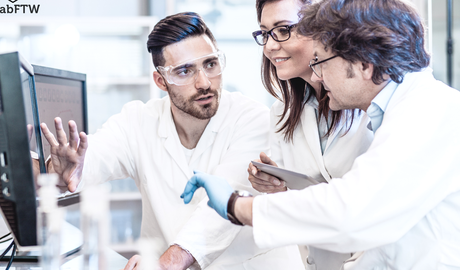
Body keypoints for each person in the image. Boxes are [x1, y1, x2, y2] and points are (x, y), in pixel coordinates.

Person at [182, 0, 460, 269]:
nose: (316, 76)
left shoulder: (430, 111)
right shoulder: (398, 112)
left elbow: (351, 213)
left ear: (364, 64)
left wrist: (236, 206)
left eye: (322, 62)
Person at [41, 12, 304, 270]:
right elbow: (93, 158)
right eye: (185, 71)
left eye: (210, 64)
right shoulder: (138, 121)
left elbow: (221, 213)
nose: (204, 83)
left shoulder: (252, 119)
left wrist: (164, 265)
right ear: (161, 81)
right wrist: (61, 171)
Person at [248, 0, 373, 269]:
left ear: (321, 27)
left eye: (283, 30)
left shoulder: (366, 96)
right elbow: (296, 207)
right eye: (265, 33)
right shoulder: (282, 111)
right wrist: (277, 185)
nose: (270, 46)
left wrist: (238, 208)